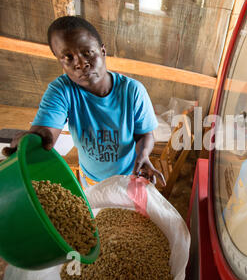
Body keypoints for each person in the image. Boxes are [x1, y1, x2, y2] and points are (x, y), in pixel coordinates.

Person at [2, 16, 166, 188]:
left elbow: (145, 134)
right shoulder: (62, 90)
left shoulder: (133, 91)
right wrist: (35, 139)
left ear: (103, 51)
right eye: (68, 57)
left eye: (87, 53)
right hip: (90, 182)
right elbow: (46, 131)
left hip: (128, 179)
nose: (81, 64)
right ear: (60, 62)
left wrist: (144, 155)